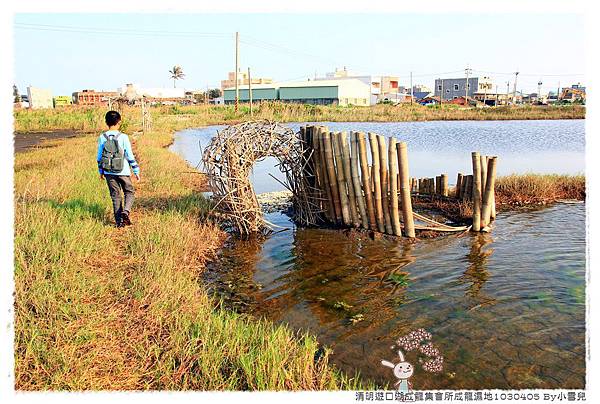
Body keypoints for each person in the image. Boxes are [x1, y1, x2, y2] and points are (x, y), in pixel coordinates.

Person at [97, 110, 140, 227]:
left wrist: (101, 171)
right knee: (129, 192)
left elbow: (99, 156)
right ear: (119, 122)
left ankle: (119, 222)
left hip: (108, 172)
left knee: (115, 196)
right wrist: (136, 170)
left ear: (106, 122)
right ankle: (125, 212)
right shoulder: (123, 137)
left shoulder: (102, 137)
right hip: (123, 171)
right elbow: (129, 155)